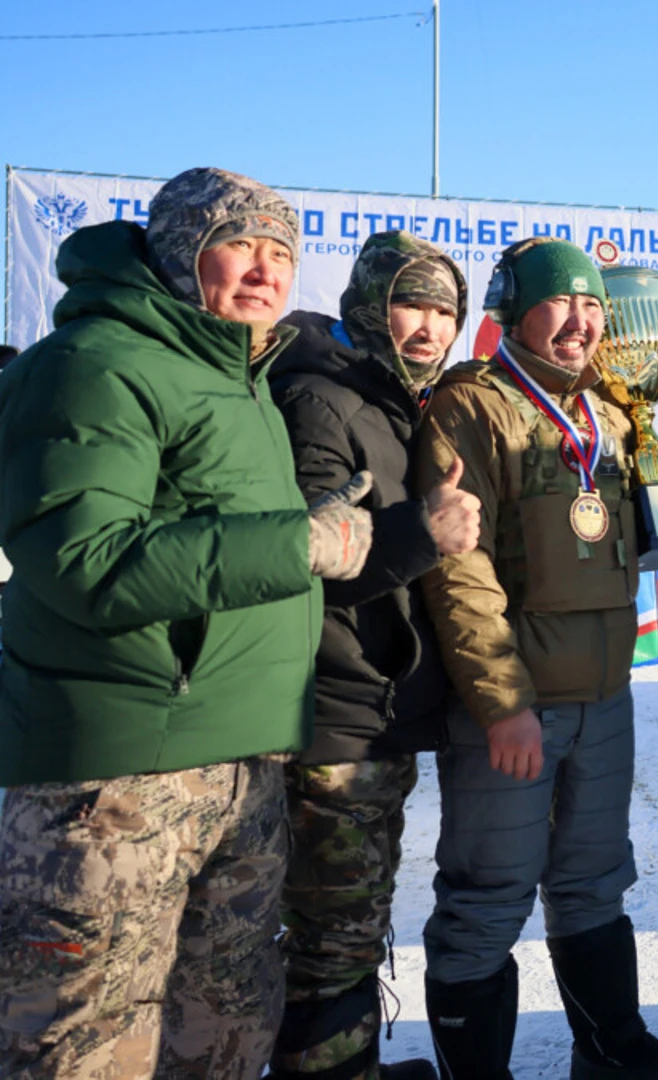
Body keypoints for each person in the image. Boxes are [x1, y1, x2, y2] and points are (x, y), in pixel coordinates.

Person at [0, 166, 370, 1078]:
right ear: (179, 254)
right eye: (238, 245)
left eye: (281, 251)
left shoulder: (241, 377)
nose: (264, 270)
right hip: (116, 788)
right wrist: (300, 544)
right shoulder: (96, 364)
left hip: (239, 769)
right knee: (85, 1050)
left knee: (223, 1039)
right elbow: (83, 562)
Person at [414, 237, 658, 1080]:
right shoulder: (475, 406)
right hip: (517, 708)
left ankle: (611, 1052)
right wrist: (502, 702)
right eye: (561, 303)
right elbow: (459, 573)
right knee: (486, 899)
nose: (581, 322)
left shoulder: (609, 417)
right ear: (515, 311)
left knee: (595, 882)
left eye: (591, 306)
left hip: (606, 700)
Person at [268, 231, 482, 1080]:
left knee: (350, 920)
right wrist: (418, 534)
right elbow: (307, 563)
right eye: (411, 304)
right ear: (368, 303)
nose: (428, 327)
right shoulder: (321, 399)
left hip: (374, 710)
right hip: (336, 713)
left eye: (444, 310)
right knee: (333, 932)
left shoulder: (397, 398)